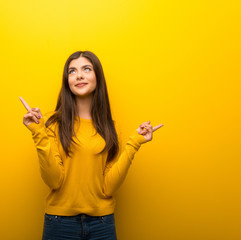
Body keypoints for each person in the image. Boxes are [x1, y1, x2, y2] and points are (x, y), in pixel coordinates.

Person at [20, 50, 163, 240]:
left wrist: (134, 143)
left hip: (102, 224)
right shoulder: (52, 124)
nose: (79, 75)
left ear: (98, 77)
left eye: (86, 69)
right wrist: (38, 132)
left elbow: (108, 188)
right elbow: (53, 180)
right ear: (67, 81)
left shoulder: (108, 128)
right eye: (72, 71)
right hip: (59, 223)